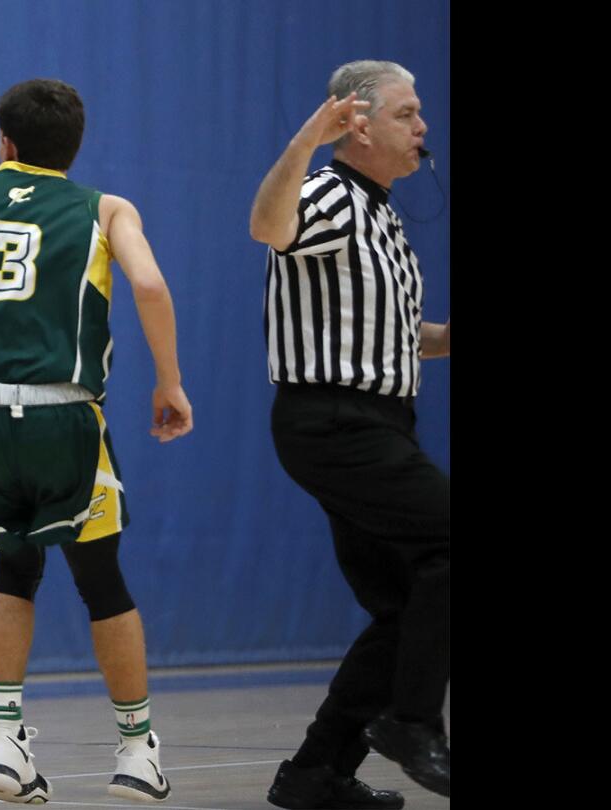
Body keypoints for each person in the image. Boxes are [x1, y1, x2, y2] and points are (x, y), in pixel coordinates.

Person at [0, 78, 193, 805]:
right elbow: (149, 285)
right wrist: (169, 382)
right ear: (73, 150)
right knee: (100, 576)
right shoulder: (105, 208)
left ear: (5, 144)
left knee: (14, 569)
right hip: (63, 415)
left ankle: (3, 741)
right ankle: (138, 749)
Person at [248, 60, 450, 807]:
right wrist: (308, 137)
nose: (423, 127)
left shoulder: (385, 216)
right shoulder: (330, 192)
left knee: (403, 607)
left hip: (378, 423)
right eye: (407, 114)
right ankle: (412, 720)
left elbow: (395, 335)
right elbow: (268, 228)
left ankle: (313, 774)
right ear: (356, 124)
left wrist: (444, 336)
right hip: (335, 423)